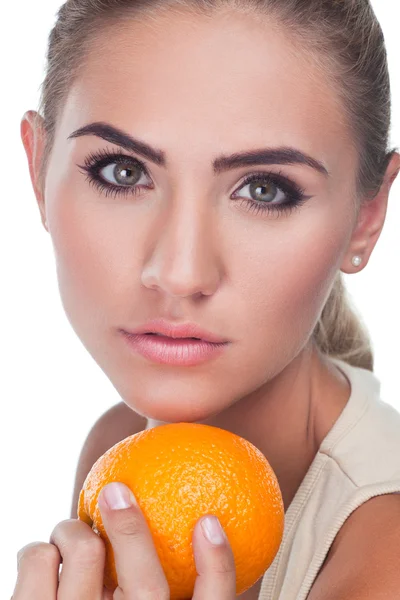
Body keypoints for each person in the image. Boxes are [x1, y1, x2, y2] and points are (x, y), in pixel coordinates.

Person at [13, 0, 400, 598]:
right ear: (38, 169)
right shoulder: (120, 456)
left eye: (264, 189)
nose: (180, 272)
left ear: (366, 218)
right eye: (122, 172)